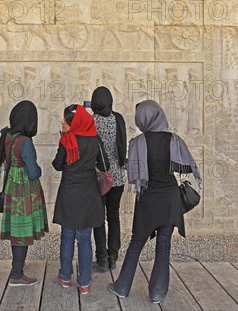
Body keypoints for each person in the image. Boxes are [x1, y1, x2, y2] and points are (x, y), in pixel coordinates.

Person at [109, 100, 202, 303]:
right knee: (163, 245)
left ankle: (122, 287)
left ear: (143, 119)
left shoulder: (137, 143)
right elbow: (185, 168)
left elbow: (134, 174)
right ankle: (157, 292)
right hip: (169, 200)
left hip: (147, 200)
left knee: (136, 243)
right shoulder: (173, 140)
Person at [52, 104, 108, 295]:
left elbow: (58, 165)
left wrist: (62, 141)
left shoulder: (66, 140)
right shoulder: (95, 140)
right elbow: (105, 164)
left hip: (69, 194)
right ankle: (84, 282)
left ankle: (65, 277)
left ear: (73, 123)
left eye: (65, 121)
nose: (62, 123)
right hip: (88, 194)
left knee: (67, 236)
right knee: (84, 239)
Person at [0, 100, 49, 286]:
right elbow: (33, 172)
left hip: (11, 186)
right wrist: (40, 170)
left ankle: (17, 266)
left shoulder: (7, 136)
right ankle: (17, 274)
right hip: (24, 191)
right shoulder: (25, 142)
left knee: (17, 230)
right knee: (22, 231)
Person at [90, 87, 127, 272]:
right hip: (118, 177)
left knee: (98, 218)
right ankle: (113, 257)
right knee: (114, 217)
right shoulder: (118, 118)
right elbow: (122, 145)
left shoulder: (91, 121)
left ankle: (102, 259)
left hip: (98, 177)